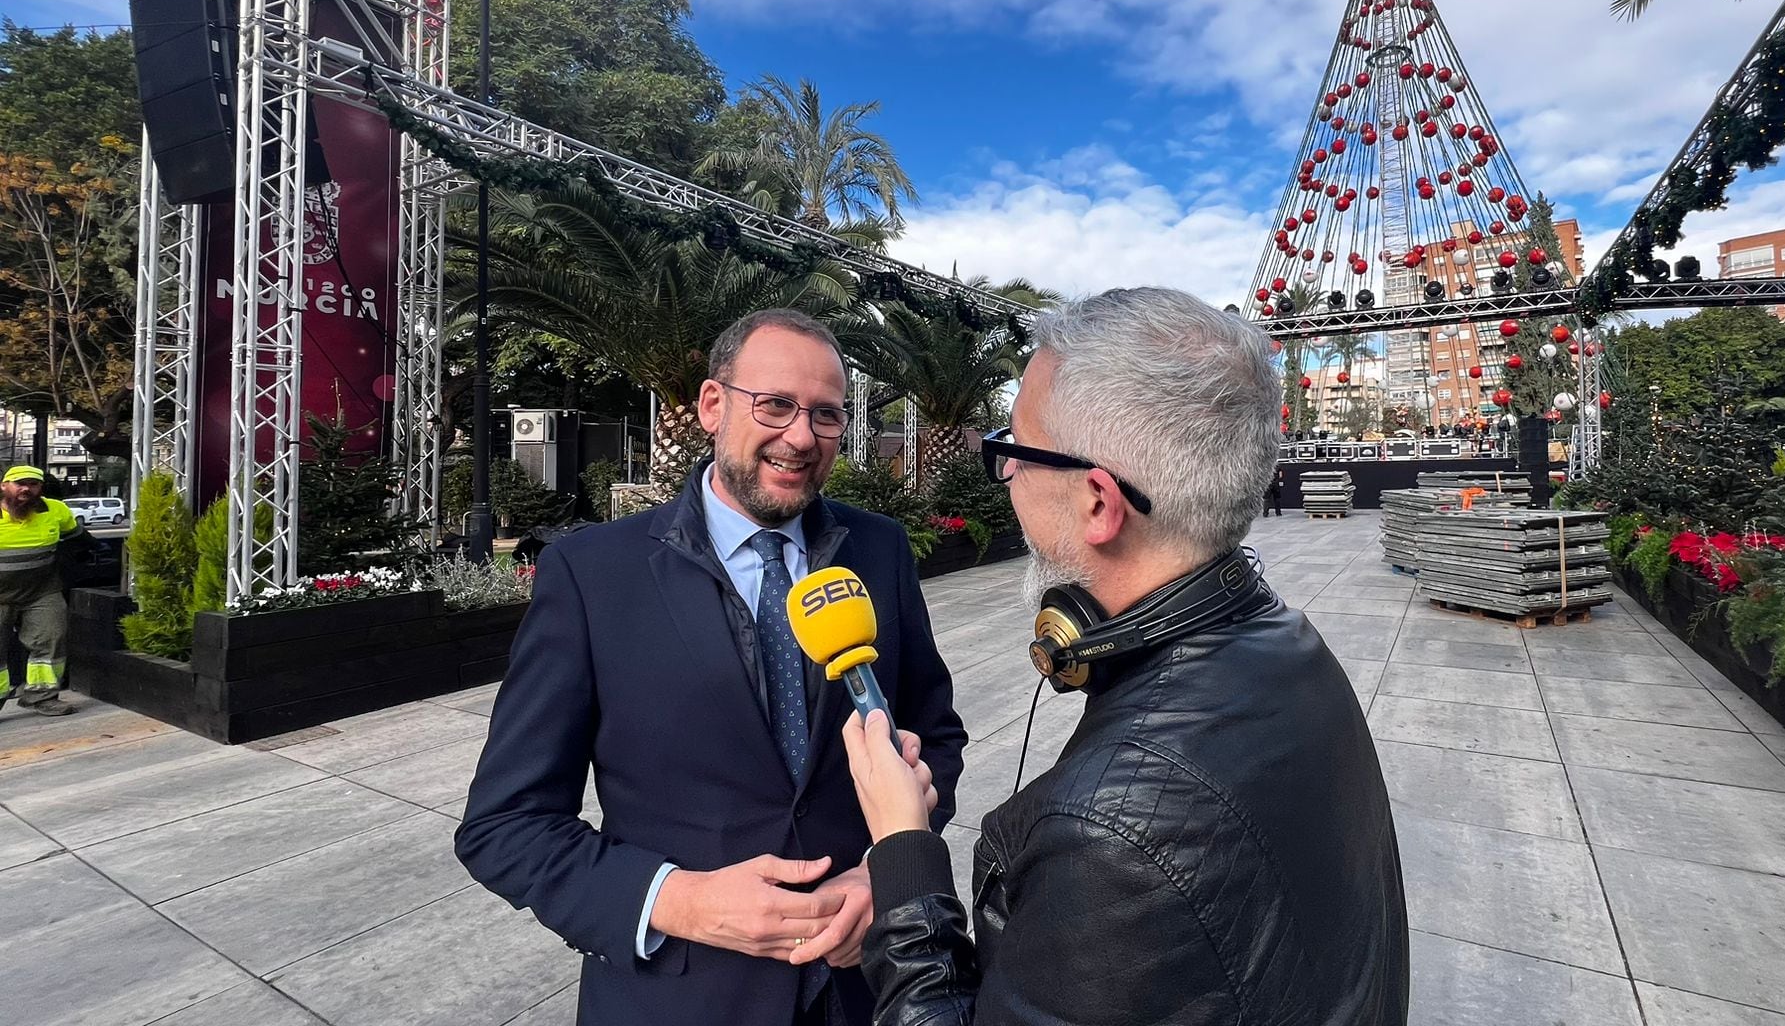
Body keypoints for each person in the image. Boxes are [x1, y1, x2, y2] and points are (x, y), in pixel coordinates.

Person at [842, 288, 1408, 1025]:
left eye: (1013, 452)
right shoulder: (1294, 648)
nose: (1006, 476)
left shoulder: (1107, 832)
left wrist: (903, 850)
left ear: (1099, 504)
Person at [456, 309, 969, 1026]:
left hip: (865, 990)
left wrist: (887, 872)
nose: (801, 436)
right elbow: (505, 824)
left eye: (826, 415)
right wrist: (678, 901)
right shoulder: (593, 573)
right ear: (711, 405)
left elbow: (936, 739)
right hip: (680, 996)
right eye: (777, 405)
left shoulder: (878, 550)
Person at [0, 465, 86, 717]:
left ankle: (42, 696)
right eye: (20, 483)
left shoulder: (55, 510)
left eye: (33, 484)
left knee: (52, 638)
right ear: (5, 486)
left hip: (42, 591)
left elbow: (76, 537)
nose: (26, 489)